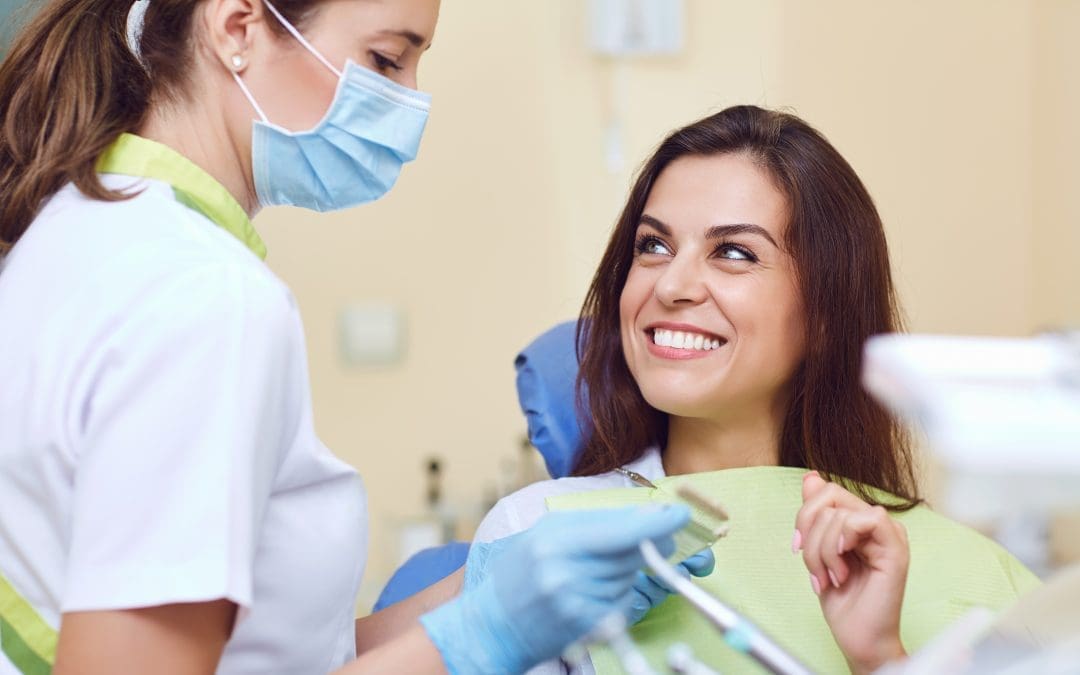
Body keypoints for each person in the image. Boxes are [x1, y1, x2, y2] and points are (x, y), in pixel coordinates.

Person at [0, 0, 713, 673]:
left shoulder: (81, 229)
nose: (410, 107)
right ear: (238, 26)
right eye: (385, 60)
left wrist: (480, 589)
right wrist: (482, 635)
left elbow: (274, 655)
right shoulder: (207, 300)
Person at [472, 105, 1040, 674]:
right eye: (653, 246)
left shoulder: (975, 576)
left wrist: (878, 658)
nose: (671, 285)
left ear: (824, 315)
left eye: (734, 253)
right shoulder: (538, 537)